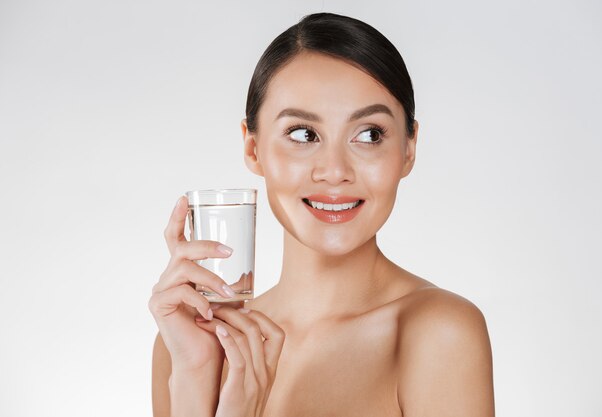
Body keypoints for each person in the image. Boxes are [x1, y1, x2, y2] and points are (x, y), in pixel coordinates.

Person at [149, 12, 494, 417]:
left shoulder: (439, 333)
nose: (335, 172)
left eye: (369, 134)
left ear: (409, 148)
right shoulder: (190, 343)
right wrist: (196, 375)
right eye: (303, 134)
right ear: (253, 148)